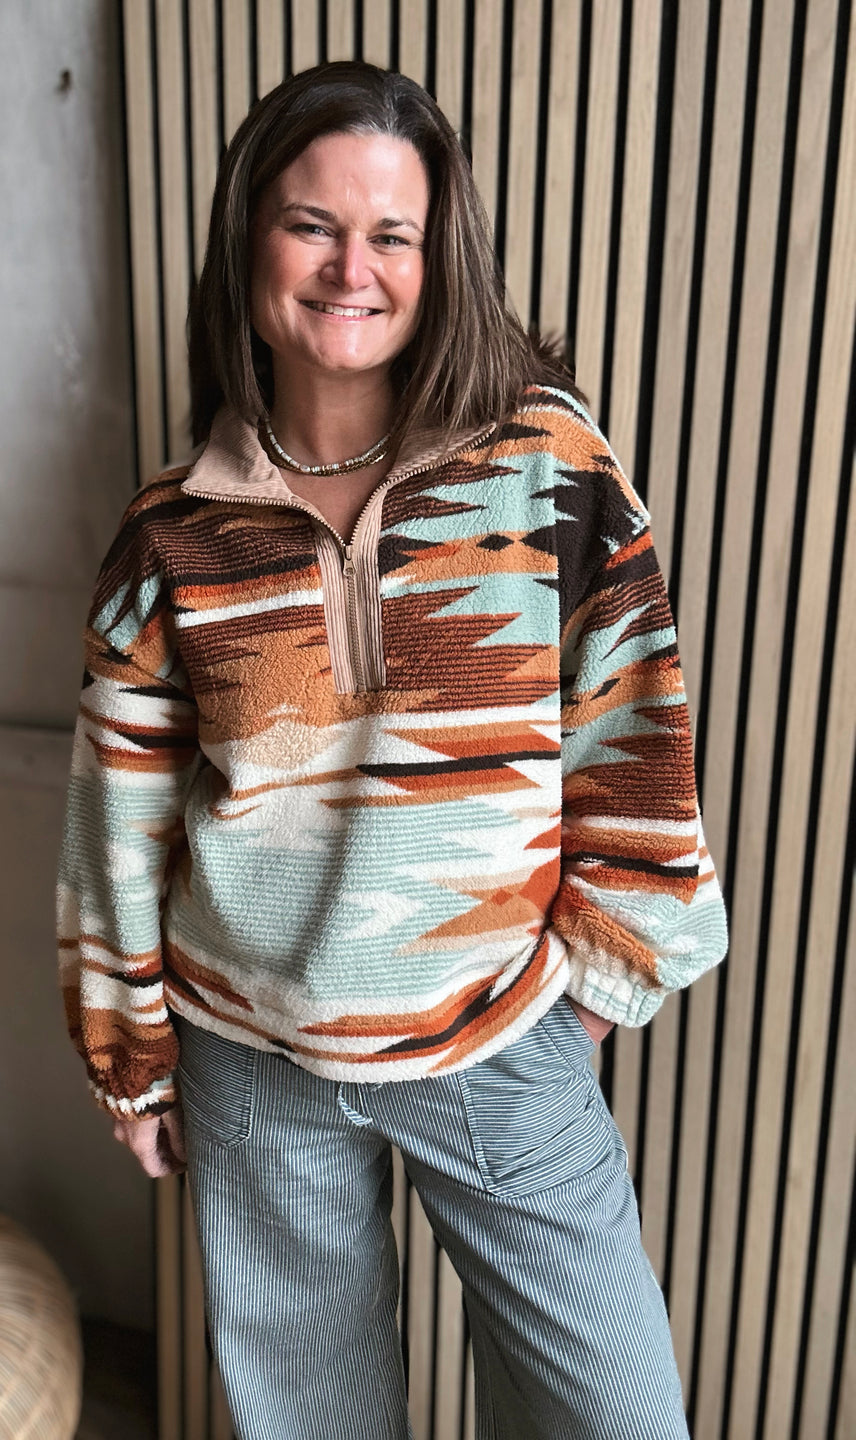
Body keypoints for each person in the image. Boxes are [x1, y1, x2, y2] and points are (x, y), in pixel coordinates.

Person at [57, 60, 727, 1440]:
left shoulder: (550, 469)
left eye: (392, 234)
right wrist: (132, 1054)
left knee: (618, 1418)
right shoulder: (177, 528)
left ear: (440, 256)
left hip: (500, 1034)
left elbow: (637, 737)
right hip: (253, 1060)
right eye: (312, 224)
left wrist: (587, 996)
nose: (349, 268)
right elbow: (116, 813)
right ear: (251, 235)